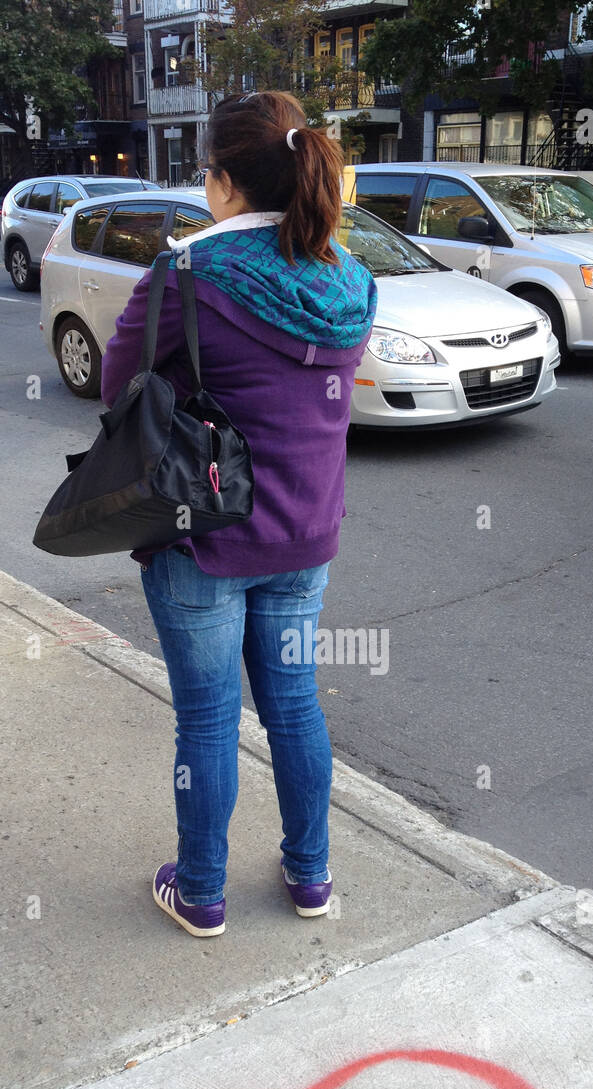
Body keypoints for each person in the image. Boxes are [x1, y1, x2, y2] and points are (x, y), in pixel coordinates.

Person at [100, 91, 376, 939]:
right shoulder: (348, 280)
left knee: (210, 718)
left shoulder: (186, 275)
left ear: (222, 182)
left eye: (206, 174)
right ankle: (311, 878)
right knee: (294, 706)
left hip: (203, 534)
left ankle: (203, 891)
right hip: (306, 534)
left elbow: (121, 395)